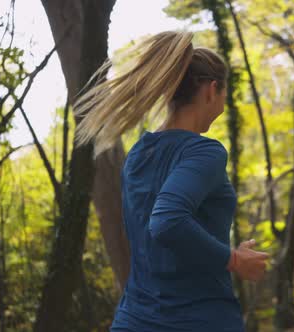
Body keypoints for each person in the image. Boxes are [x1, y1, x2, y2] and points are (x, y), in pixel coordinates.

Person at [72, 31, 270, 331]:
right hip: (198, 320)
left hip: (133, 321)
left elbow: (162, 235)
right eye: (225, 93)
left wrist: (223, 249)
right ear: (211, 90)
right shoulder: (204, 151)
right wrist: (233, 259)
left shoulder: (139, 152)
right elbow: (167, 221)